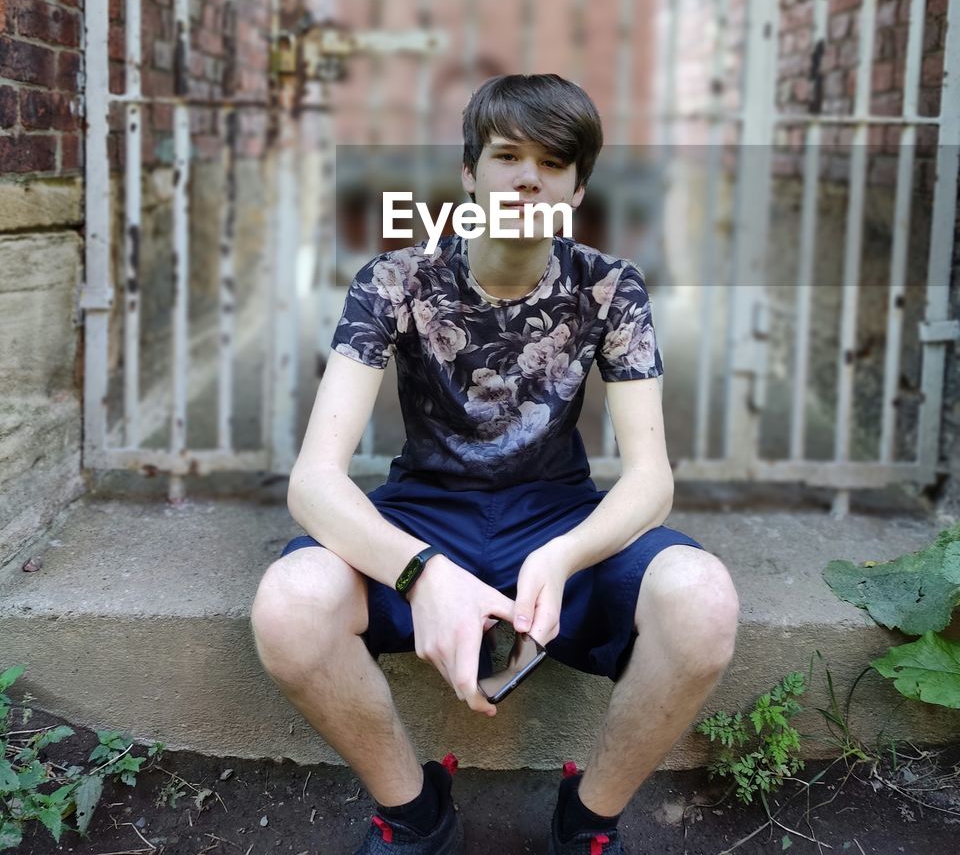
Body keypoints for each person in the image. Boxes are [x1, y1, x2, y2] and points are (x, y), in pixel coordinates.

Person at [251, 73, 739, 855]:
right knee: (289, 604)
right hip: (422, 514)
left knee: (703, 602)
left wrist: (566, 553)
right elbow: (314, 481)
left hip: (558, 516)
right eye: (507, 155)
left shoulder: (610, 288)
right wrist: (422, 573)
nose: (526, 179)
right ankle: (415, 815)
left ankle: (588, 820)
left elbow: (652, 480)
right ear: (469, 174)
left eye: (553, 163)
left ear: (576, 188)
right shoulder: (395, 281)